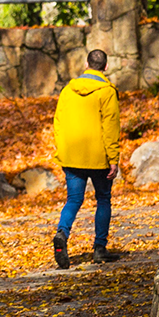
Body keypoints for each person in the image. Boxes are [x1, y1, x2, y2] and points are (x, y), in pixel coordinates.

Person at [50, 49, 123, 268]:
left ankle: (62, 233)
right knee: (103, 199)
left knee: (73, 199)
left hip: (72, 157)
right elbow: (110, 126)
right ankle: (99, 248)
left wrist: (63, 150)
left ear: (86, 64)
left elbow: (58, 122)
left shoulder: (68, 91)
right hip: (99, 157)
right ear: (106, 67)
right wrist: (113, 158)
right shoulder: (107, 91)